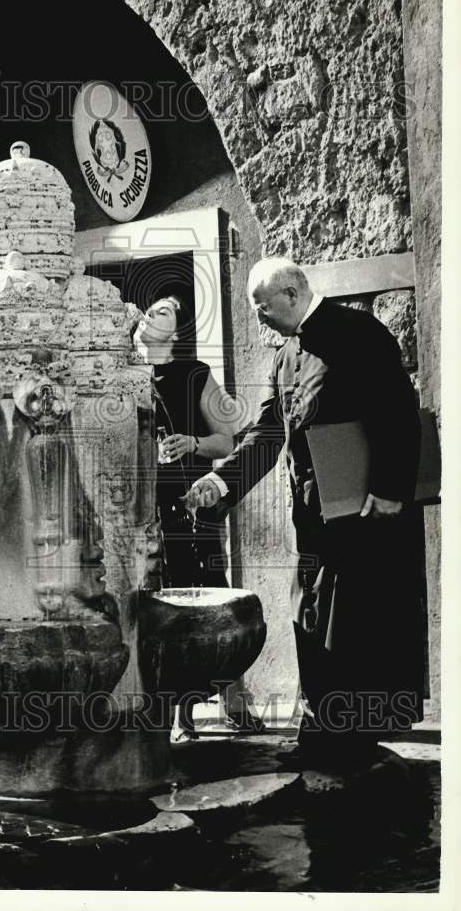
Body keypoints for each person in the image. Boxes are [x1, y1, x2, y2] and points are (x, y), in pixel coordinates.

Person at [184, 257, 424, 770]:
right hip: (314, 519)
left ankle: (356, 740)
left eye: (262, 309)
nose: (259, 320)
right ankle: (328, 728)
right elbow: (269, 433)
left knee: (360, 627)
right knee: (310, 619)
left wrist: (388, 490)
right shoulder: (284, 359)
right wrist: (220, 480)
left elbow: (398, 413)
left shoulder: (360, 334)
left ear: (291, 294)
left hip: (366, 515)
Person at [133, 295, 241, 588]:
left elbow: (227, 442)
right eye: (149, 311)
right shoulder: (122, 375)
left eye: (163, 312)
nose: (150, 314)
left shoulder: (196, 374)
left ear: (176, 334)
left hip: (188, 512)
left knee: (200, 594)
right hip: (137, 513)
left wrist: (192, 443)